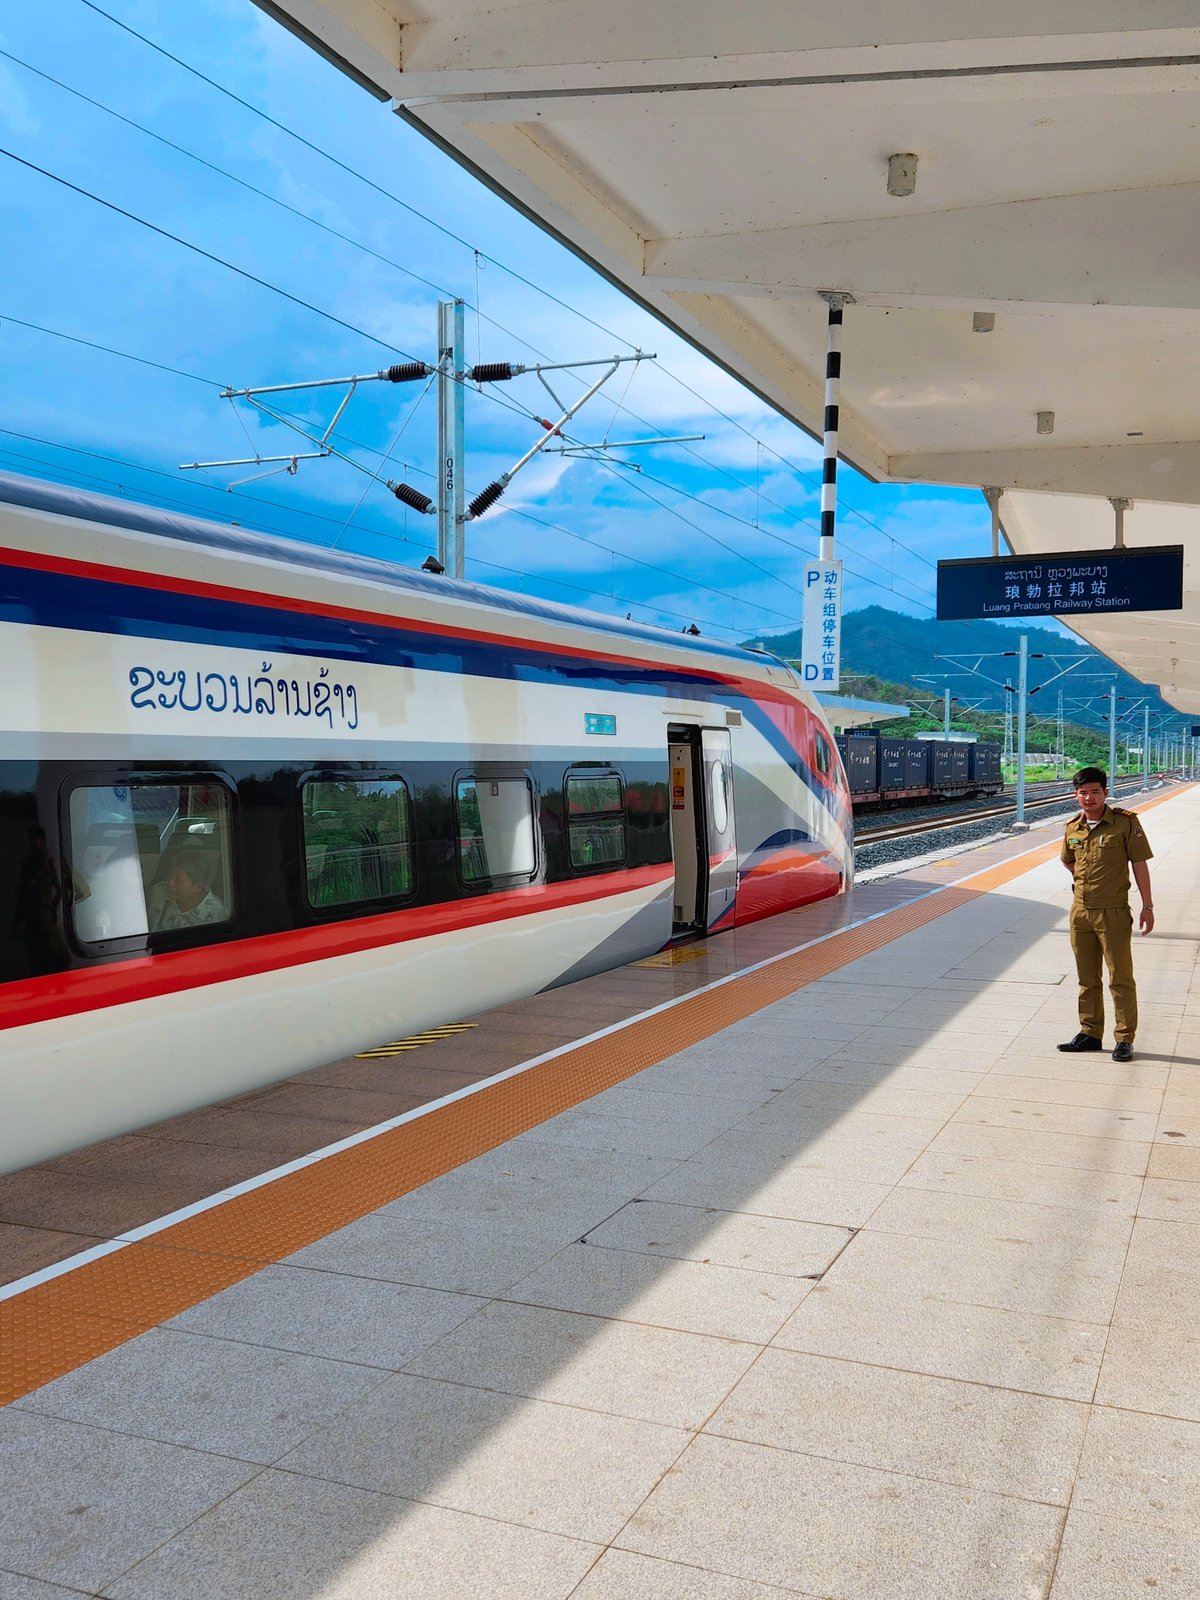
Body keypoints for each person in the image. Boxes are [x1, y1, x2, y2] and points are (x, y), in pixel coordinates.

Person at [1059, 766, 1153, 1062]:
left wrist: (1147, 906)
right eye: (1083, 792)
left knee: (1120, 977)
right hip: (1080, 912)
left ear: (1105, 793)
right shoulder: (1072, 827)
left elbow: (1139, 864)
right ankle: (1090, 1032)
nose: (1089, 797)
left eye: (1094, 792)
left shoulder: (1125, 823)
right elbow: (1068, 861)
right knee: (1087, 978)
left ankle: (1124, 1038)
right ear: (1076, 795)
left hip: (1112, 912)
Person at [152, 851, 228, 931]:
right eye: (170, 876)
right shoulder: (159, 891)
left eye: (178, 879)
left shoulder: (215, 911)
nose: (170, 883)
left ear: (198, 886)